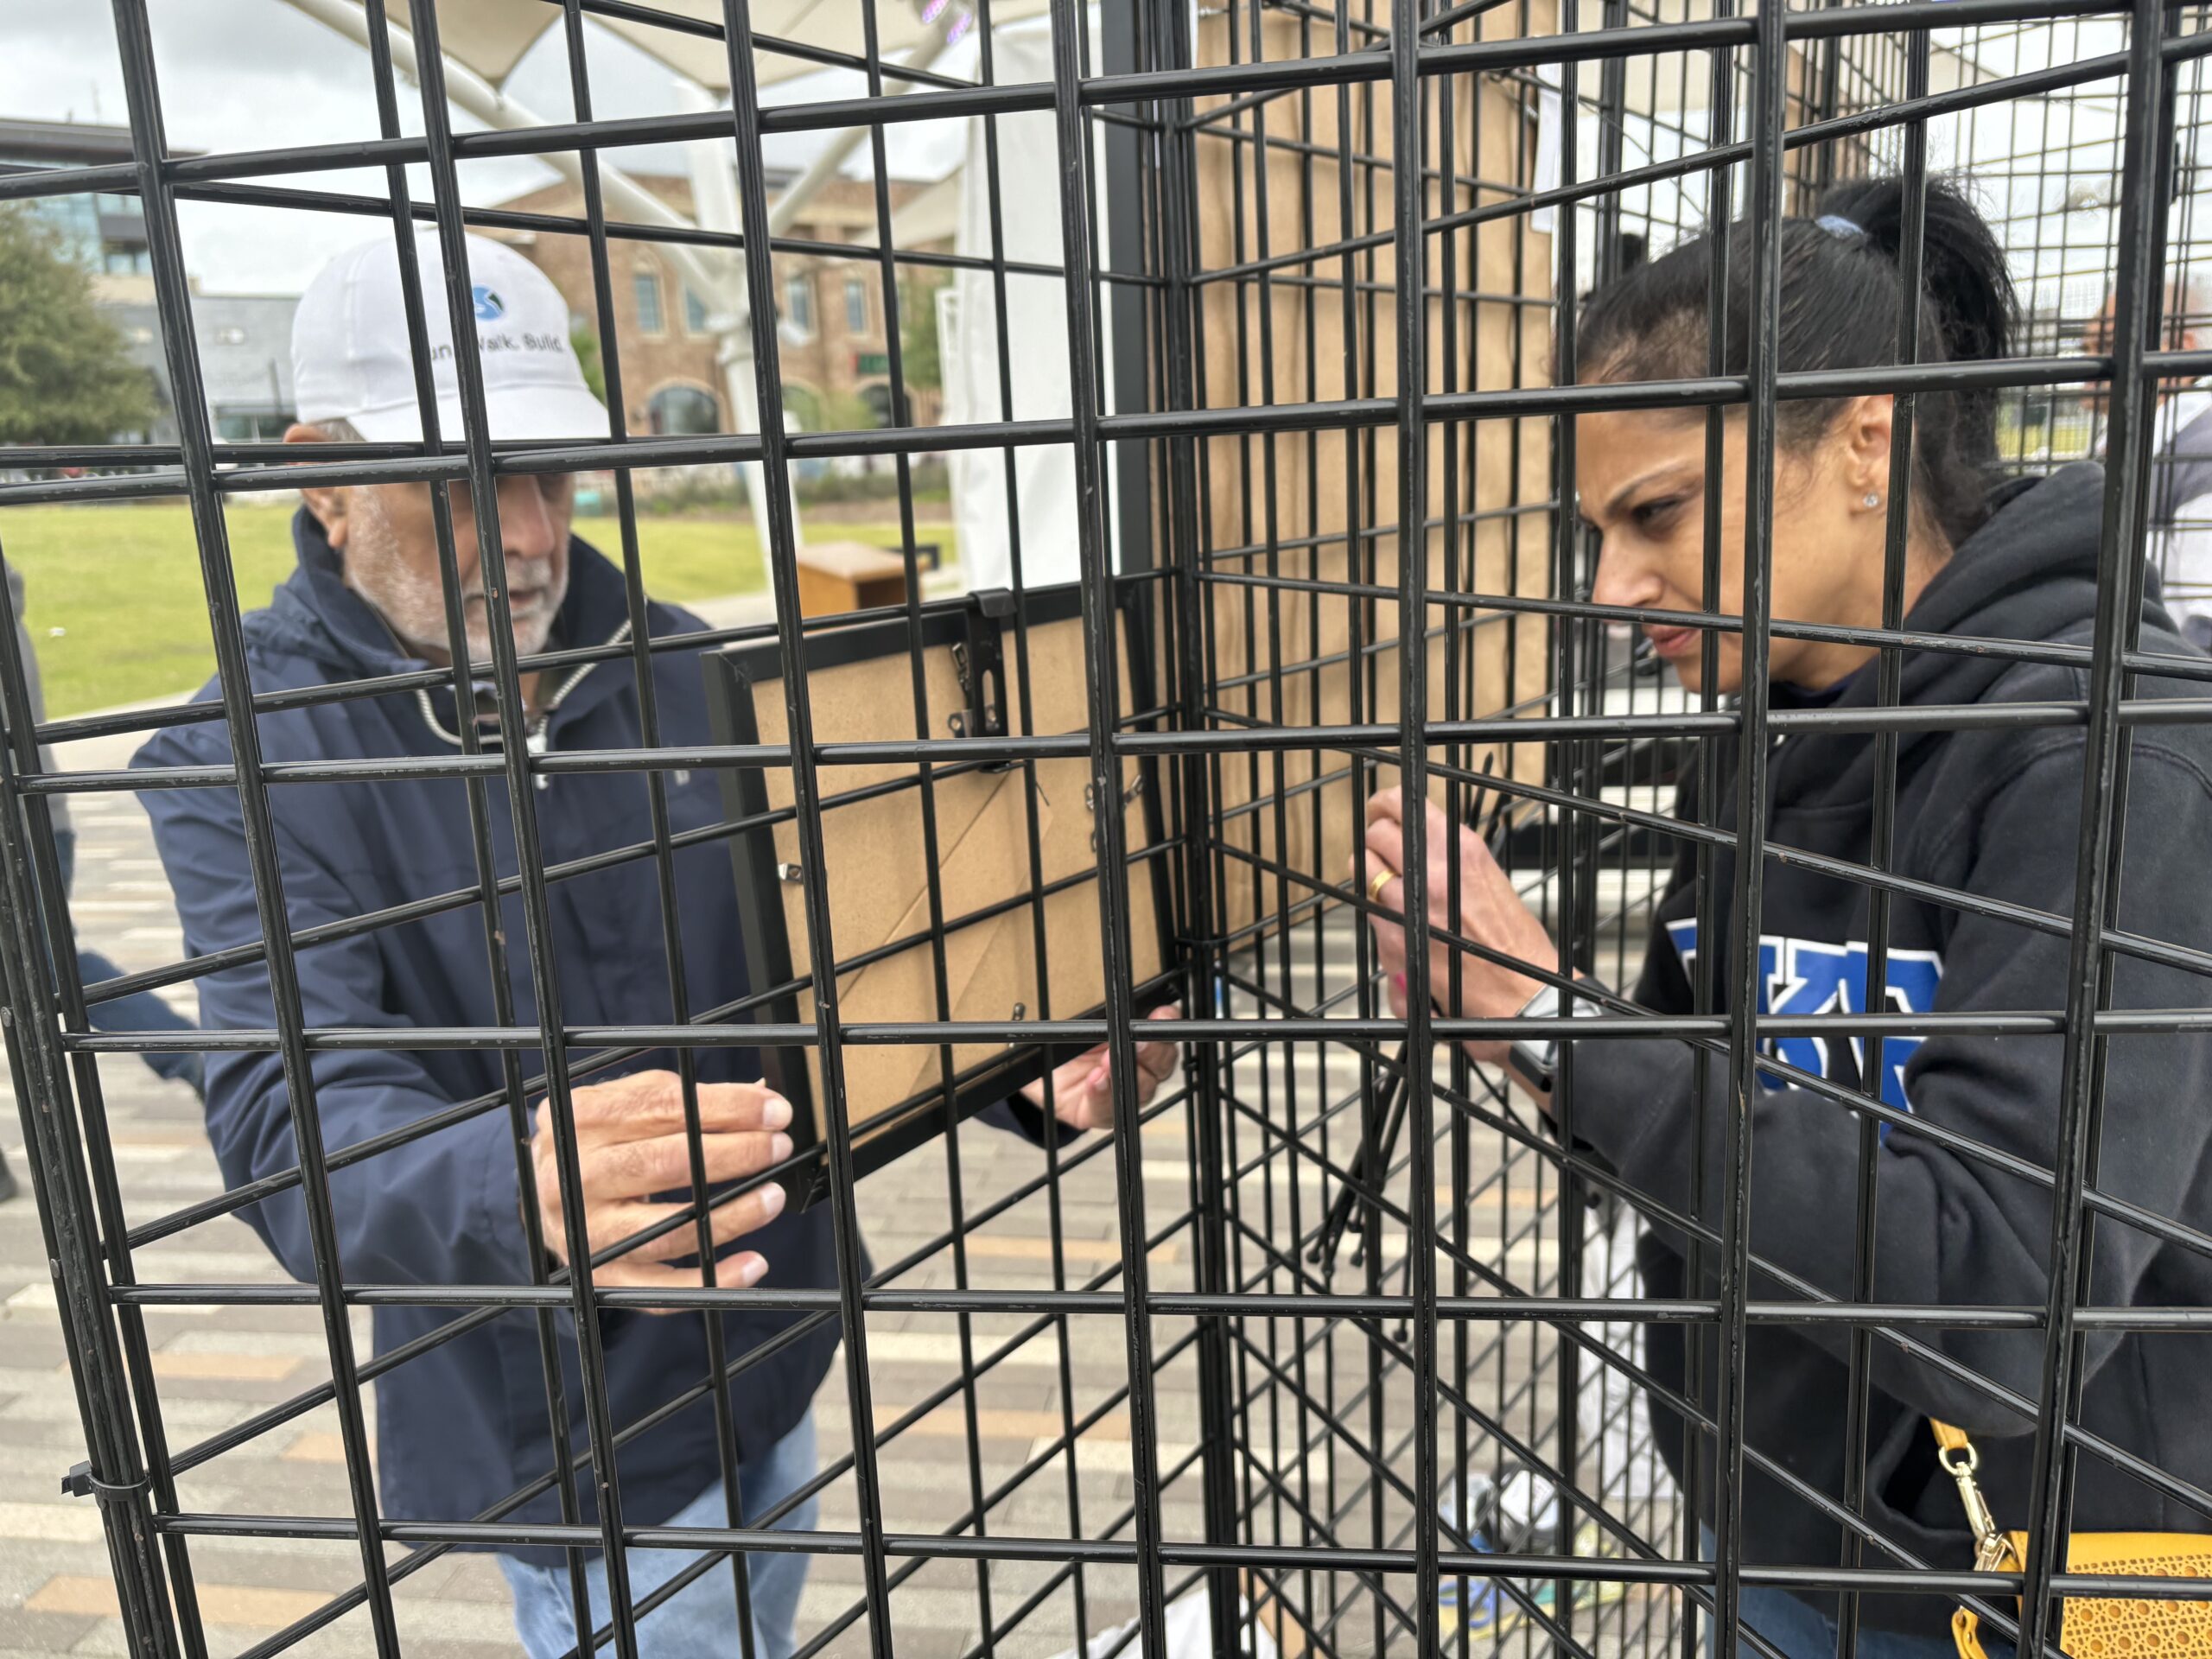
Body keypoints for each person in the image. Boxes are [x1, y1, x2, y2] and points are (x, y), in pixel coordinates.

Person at [132, 228, 1179, 1659]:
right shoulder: (239, 757)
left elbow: (841, 939)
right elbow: (283, 1119)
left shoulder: (683, 664)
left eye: (549, 471)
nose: (530, 532)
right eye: (461, 479)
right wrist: (518, 1181)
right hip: (581, 1431)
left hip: (780, 1346)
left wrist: (1025, 1054)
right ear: (323, 471)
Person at [1357, 177, 2212, 1659]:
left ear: (1866, 443)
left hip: (2089, 1567)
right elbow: (1695, 1094)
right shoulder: (1768, 715)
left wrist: (1559, 1025)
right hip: (1778, 1518)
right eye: (1597, 531)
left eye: (1658, 515)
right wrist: (1521, 1019)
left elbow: (2007, 1296)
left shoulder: (2110, 753)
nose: (1616, 589)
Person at [0, 562, 200, 1205]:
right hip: (34, 824)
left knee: (51, 971)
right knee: (47, 970)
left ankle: (196, 1056)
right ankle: (195, 1056)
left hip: (19, 831)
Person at [2082, 269, 2212, 645]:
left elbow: (2206, 629)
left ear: (2180, 349)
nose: (2089, 365)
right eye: (2088, 348)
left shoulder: (2199, 454)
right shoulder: (2122, 449)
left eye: (2106, 344)